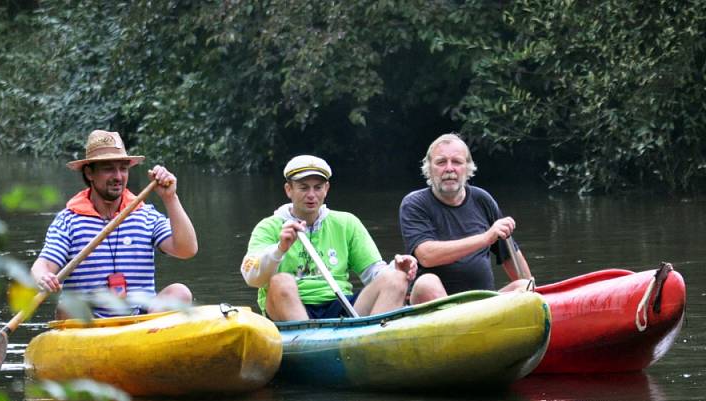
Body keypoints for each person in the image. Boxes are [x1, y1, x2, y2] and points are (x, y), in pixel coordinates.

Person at [31, 129, 198, 318]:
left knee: (180, 292)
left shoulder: (145, 215)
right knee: (65, 308)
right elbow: (42, 265)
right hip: (89, 324)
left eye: (123, 168)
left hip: (142, 322)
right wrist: (43, 278)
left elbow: (187, 250)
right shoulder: (69, 220)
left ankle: (146, 338)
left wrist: (170, 198)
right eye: (108, 168)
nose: (118, 176)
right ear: (89, 173)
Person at [241, 155, 417, 321]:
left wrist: (397, 268)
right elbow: (252, 278)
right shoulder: (268, 227)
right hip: (290, 307)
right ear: (289, 190)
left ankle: (372, 341)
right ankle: (309, 341)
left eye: (317, 187)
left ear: (326, 189)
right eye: (303, 187)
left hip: (341, 305)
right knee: (281, 281)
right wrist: (280, 249)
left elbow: (373, 273)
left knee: (397, 279)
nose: (311, 195)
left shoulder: (346, 222)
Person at [399, 133, 532, 304]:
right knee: (426, 283)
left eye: (456, 162)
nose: (449, 168)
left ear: (467, 168)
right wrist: (485, 238)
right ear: (429, 169)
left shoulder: (482, 199)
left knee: (524, 286)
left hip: (484, 305)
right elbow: (426, 256)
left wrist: (535, 292)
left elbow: (509, 254)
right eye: (441, 162)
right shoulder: (414, 203)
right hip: (436, 309)